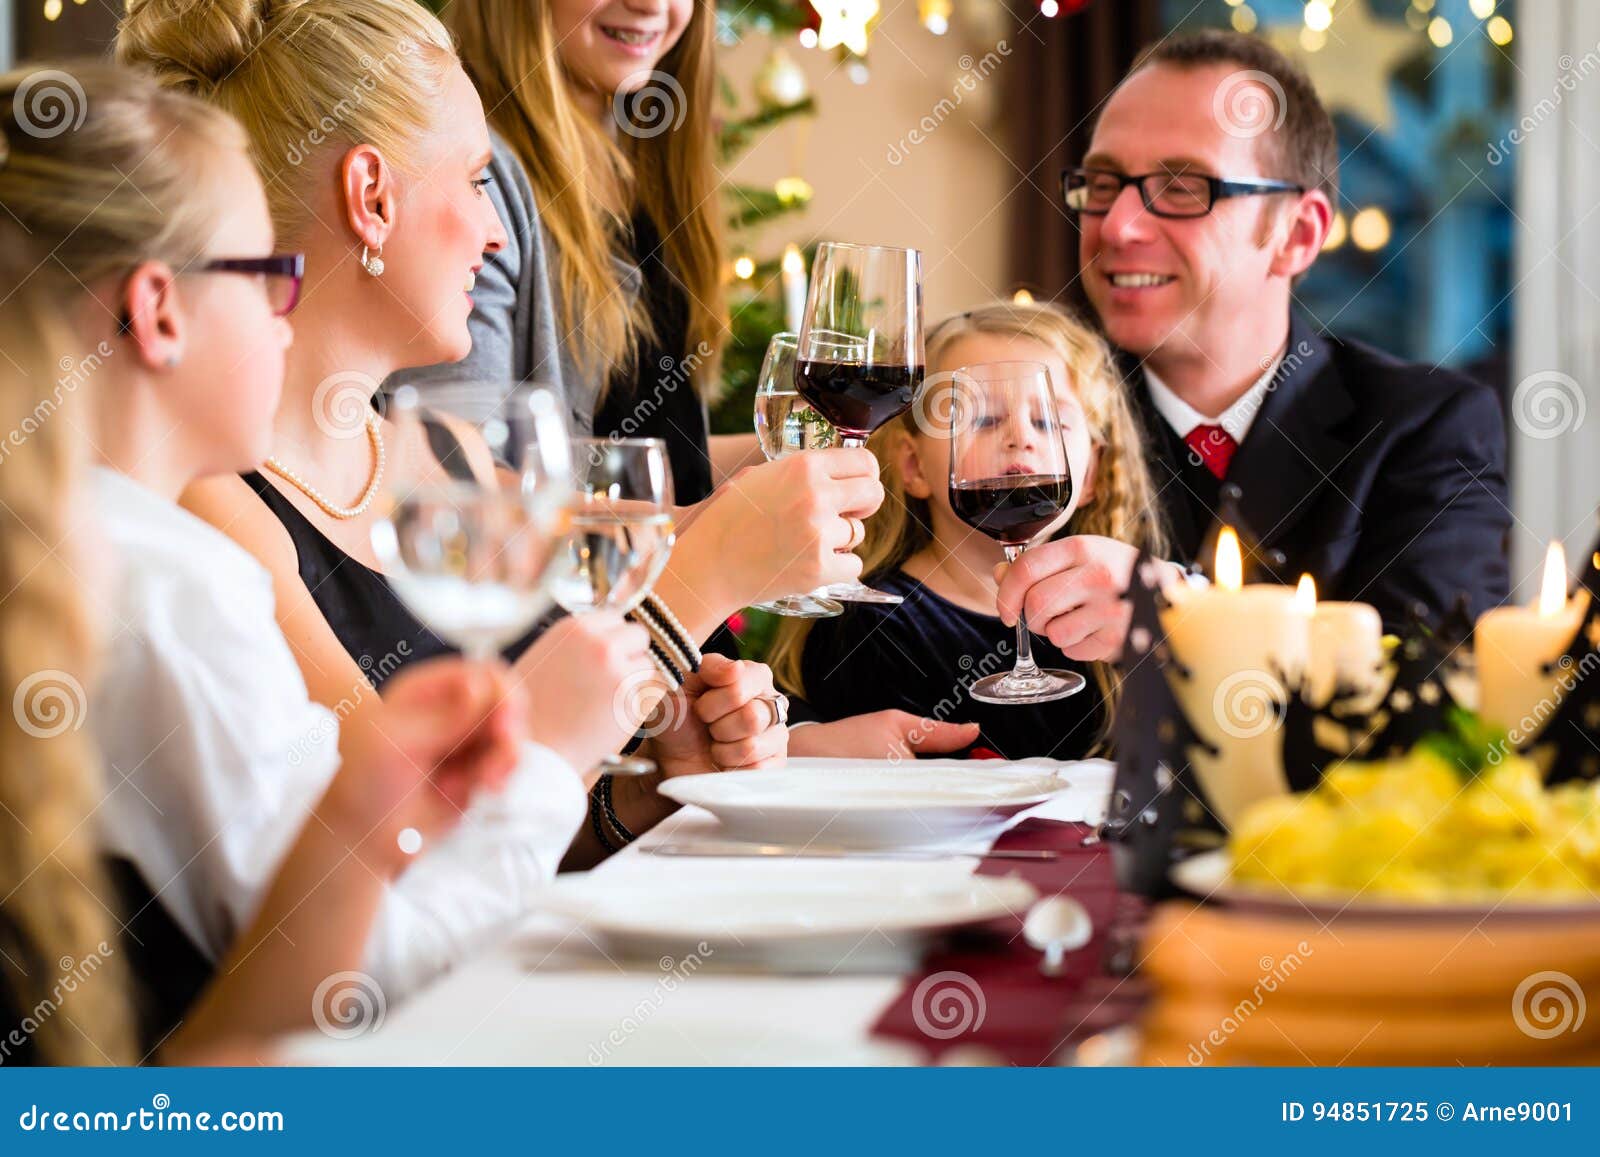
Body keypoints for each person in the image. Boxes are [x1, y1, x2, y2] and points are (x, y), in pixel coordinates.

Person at [117, 0, 787, 860]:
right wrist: (697, 586)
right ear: (371, 197)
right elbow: (400, 851)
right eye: (476, 181)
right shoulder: (211, 500)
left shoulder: (452, 455)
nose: (499, 231)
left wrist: (642, 793)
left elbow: (523, 830)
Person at [0, 64, 530, 1061]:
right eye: (265, 275)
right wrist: (554, 763)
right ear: (157, 311)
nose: (285, 316)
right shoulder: (167, 585)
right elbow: (370, 979)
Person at [998, 29, 1511, 652]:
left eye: (1183, 187)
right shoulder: (1021, 421)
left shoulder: (1426, 429)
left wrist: (1181, 617)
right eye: (1103, 185)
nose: (1119, 225)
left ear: (1298, 234)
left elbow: (1431, 688)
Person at [770, 302, 1171, 760]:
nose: (1021, 436)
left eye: (1050, 423)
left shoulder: (1113, 617)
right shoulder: (870, 629)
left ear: (1095, 473)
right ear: (913, 465)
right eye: (981, 419)